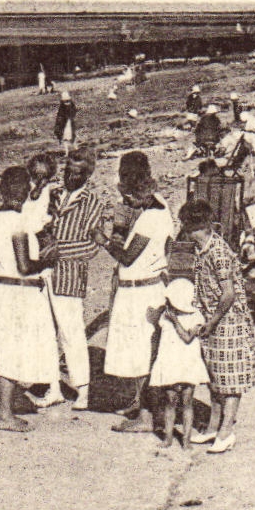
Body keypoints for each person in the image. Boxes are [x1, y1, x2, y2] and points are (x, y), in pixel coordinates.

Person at [179, 199, 255, 452]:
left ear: (200, 226)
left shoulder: (218, 252)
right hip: (212, 319)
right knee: (215, 377)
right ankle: (213, 427)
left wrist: (212, 321)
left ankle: (226, 431)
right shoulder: (202, 249)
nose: (187, 233)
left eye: (189, 228)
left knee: (230, 378)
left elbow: (228, 294)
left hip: (228, 320)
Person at [102, 157, 173, 430]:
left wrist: (103, 240)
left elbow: (127, 257)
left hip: (140, 291)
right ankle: (140, 404)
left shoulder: (151, 218)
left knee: (141, 356)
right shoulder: (159, 206)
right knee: (142, 352)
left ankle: (145, 417)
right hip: (144, 287)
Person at [0, 166, 59, 432]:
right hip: (17, 291)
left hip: (5, 289)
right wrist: (48, 259)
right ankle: (4, 415)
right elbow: (24, 266)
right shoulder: (17, 221)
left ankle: (9, 406)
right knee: (11, 350)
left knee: (10, 347)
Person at [46, 148, 106, 409]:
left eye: (77, 173)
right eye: (68, 170)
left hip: (69, 275)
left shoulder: (93, 203)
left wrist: (56, 251)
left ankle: (82, 389)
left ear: (88, 174)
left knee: (72, 333)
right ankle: (52, 387)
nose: (70, 176)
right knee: (45, 332)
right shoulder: (52, 195)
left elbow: (92, 247)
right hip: (42, 273)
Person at [150, 278, 209, 449]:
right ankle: (168, 437)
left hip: (187, 364)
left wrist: (175, 320)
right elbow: (153, 318)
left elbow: (187, 338)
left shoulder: (196, 317)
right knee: (170, 402)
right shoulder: (166, 315)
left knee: (187, 403)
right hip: (171, 363)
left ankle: (186, 439)